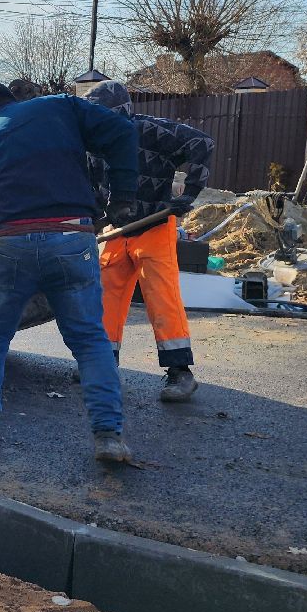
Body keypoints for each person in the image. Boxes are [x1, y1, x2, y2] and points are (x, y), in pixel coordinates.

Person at [0, 70, 139, 463]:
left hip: (7, 245)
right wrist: (124, 196)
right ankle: (108, 435)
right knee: (90, 340)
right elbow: (123, 132)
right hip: (71, 238)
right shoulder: (61, 107)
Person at [85, 80, 214, 402]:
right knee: (105, 298)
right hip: (116, 231)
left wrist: (190, 195)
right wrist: (93, 217)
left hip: (154, 225)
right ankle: (104, 366)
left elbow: (202, 144)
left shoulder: (151, 131)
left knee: (161, 297)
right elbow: (91, 186)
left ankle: (180, 373)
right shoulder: (91, 145)